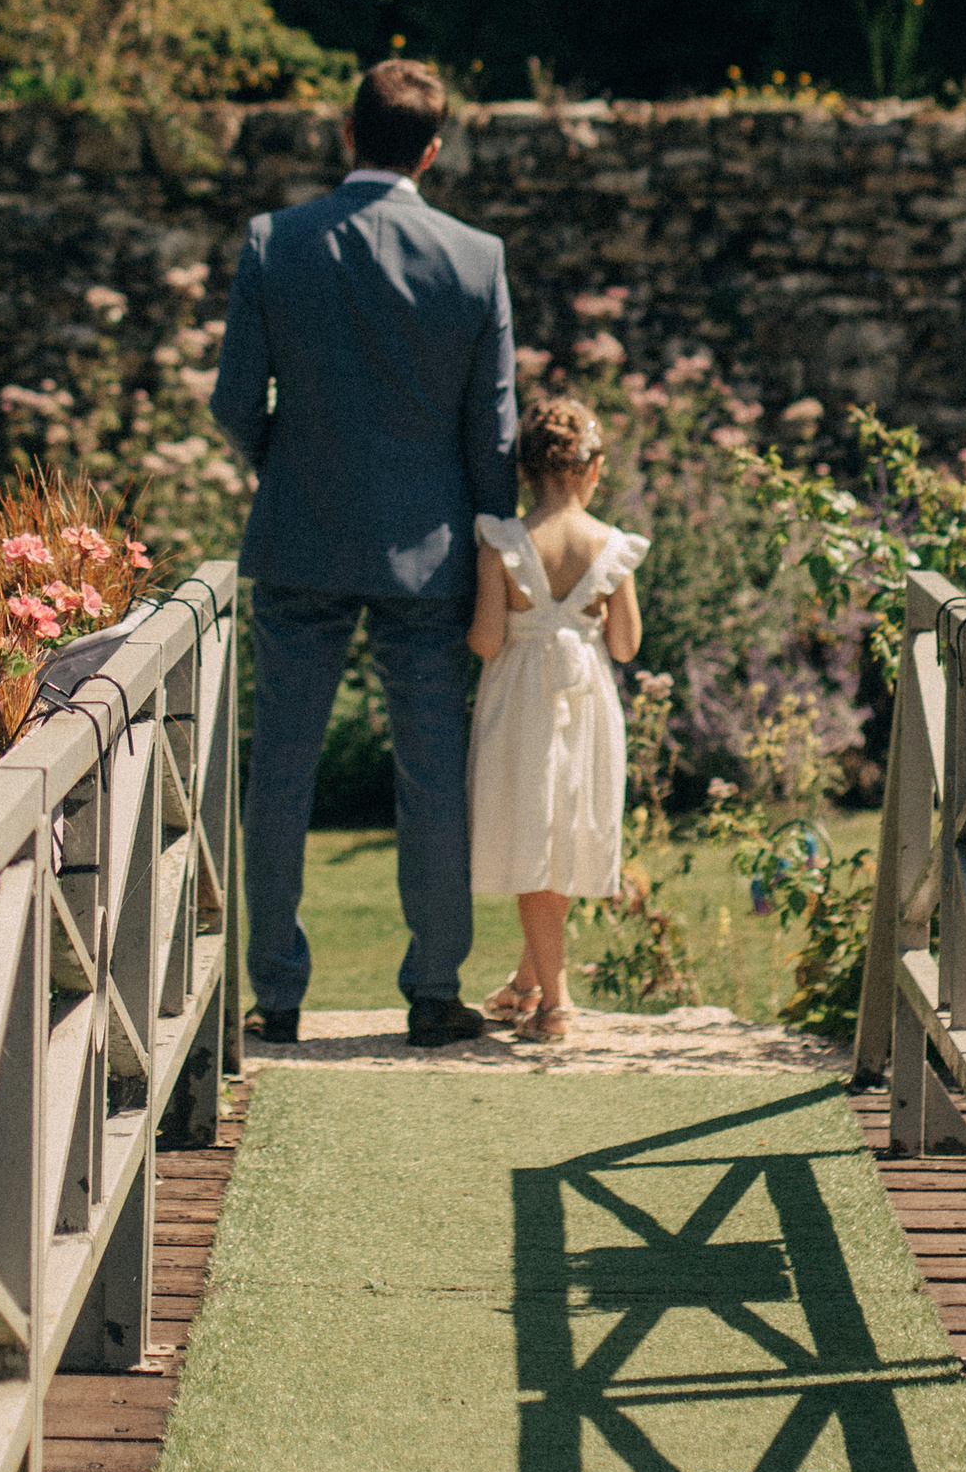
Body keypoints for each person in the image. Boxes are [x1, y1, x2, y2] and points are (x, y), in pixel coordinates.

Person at [212, 56, 517, 1048]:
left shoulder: (275, 241)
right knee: (431, 771)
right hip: (428, 549)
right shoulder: (475, 260)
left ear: (346, 137)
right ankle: (434, 990)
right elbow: (494, 432)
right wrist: (487, 545)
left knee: (282, 769)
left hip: (299, 535)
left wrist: (289, 462)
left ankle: (277, 994)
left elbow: (231, 402)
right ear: (432, 151)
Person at [464, 394, 647, 1041]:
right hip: (588, 700)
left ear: (528, 471)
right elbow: (625, 645)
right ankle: (528, 981)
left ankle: (555, 1002)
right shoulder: (612, 546)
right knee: (561, 830)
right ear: (593, 469)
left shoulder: (503, 541)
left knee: (531, 831)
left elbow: (486, 640)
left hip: (521, 700)